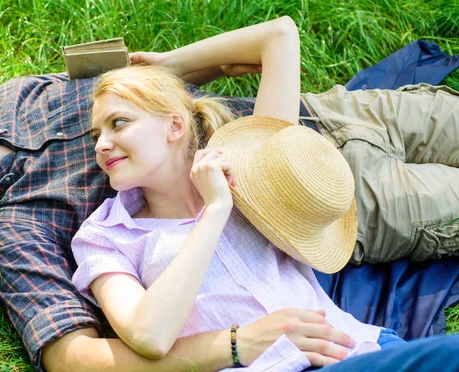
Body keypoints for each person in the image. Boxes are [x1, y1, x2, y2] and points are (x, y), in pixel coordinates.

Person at [0, 15, 459, 372]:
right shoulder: (19, 233)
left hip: (320, 114)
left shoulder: (14, 95)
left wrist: (173, 66)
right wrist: (232, 345)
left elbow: (144, 85)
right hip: (333, 204)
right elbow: (78, 359)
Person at [69, 16, 459, 370]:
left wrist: (168, 67)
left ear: (175, 126)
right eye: (96, 134)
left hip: (362, 348)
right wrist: (216, 210)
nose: (101, 144)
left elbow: (279, 35)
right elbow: (149, 335)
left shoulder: (249, 166)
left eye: (118, 123)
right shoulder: (104, 236)